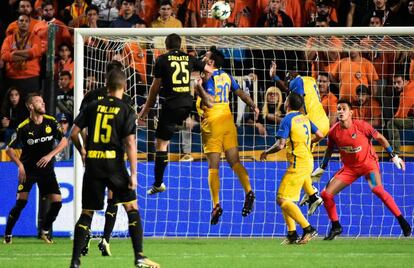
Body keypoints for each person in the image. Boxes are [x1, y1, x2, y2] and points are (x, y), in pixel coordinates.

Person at [69, 68, 159, 268]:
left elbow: (74, 132)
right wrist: (134, 173)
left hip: (93, 164)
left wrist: (82, 151)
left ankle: (75, 261)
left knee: (87, 213)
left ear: (106, 86)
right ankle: (140, 257)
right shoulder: (126, 109)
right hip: (114, 165)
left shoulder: (92, 106)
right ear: (124, 86)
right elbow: (130, 143)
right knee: (131, 208)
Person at [312, 99, 411, 240]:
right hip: (349, 169)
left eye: (343, 109)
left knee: (377, 189)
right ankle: (336, 226)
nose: (340, 111)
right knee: (326, 194)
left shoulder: (362, 126)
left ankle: (402, 221)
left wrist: (394, 155)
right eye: (338, 109)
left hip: (368, 165)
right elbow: (329, 150)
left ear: (351, 112)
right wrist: (322, 167)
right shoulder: (333, 131)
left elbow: (381, 138)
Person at [138, 33, 213, 195]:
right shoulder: (189, 58)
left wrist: (145, 110)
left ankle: (158, 184)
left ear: (166, 46)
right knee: (177, 126)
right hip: (187, 104)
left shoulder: (162, 60)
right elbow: (209, 70)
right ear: (180, 46)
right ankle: (190, 127)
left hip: (171, 104)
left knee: (161, 144)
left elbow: (154, 89)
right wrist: (200, 80)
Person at [196, 46, 258, 224]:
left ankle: (216, 204)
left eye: (205, 57)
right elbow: (241, 94)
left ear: (211, 62)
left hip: (212, 122)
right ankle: (248, 190)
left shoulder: (207, 75)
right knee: (235, 162)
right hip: (228, 122)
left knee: (213, 166)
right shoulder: (227, 76)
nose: (202, 59)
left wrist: (197, 87)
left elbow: (206, 96)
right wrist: (254, 105)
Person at [79, 60, 133, 257]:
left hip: (94, 155)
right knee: (114, 197)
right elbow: (128, 135)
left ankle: (84, 240)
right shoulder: (124, 99)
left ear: (105, 77)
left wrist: (84, 148)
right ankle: (106, 239)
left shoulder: (91, 96)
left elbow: (82, 127)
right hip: (114, 156)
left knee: (90, 204)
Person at [3, 93, 68, 244]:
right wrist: (20, 166)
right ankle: (8, 234)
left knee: (57, 202)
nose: (43, 103)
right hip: (28, 170)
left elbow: (64, 141)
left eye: (43, 101)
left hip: (46, 170)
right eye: (39, 102)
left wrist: (50, 155)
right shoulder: (23, 127)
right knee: (21, 203)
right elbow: (9, 149)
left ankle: (44, 230)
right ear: (31, 106)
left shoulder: (51, 122)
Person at [260, 92, 324, 244]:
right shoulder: (305, 118)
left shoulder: (287, 119)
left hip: (298, 164)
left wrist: (266, 152)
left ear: (287, 103)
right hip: (308, 161)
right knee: (285, 198)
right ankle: (292, 233)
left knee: (282, 199)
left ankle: (308, 228)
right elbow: (320, 134)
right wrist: (307, 144)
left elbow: (280, 145)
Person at [277, 73, 327, 215]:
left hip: (311, 123)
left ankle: (312, 194)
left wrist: (295, 118)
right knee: (304, 158)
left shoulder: (296, 82)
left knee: (299, 159)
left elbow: (298, 102)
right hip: (323, 122)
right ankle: (311, 193)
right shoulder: (310, 80)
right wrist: (275, 77)